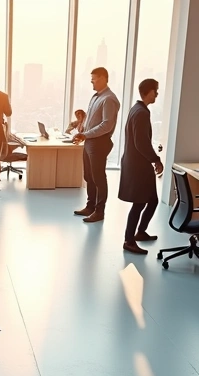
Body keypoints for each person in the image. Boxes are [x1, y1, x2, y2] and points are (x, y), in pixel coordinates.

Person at [119, 78, 164, 255]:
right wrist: (156, 159)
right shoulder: (141, 113)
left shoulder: (138, 109)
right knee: (139, 204)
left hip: (138, 164)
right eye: (155, 91)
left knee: (152, 200)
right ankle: (128, 240)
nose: (157, 94)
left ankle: (140, 232)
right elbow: (141, 143)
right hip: (138, 166)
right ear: (148, 91)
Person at [73, 67, 121, 223]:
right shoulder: (95, 97)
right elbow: (91, 120)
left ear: (103, 78)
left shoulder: (109, 99)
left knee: (98, 177)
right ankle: (90, 206)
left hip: (100, 142)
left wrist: (85, 134)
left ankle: (99, 211)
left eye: (94, 79)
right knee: (88, 176)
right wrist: (82, 129)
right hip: (90, 141)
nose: (91, 82)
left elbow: (107, 125)